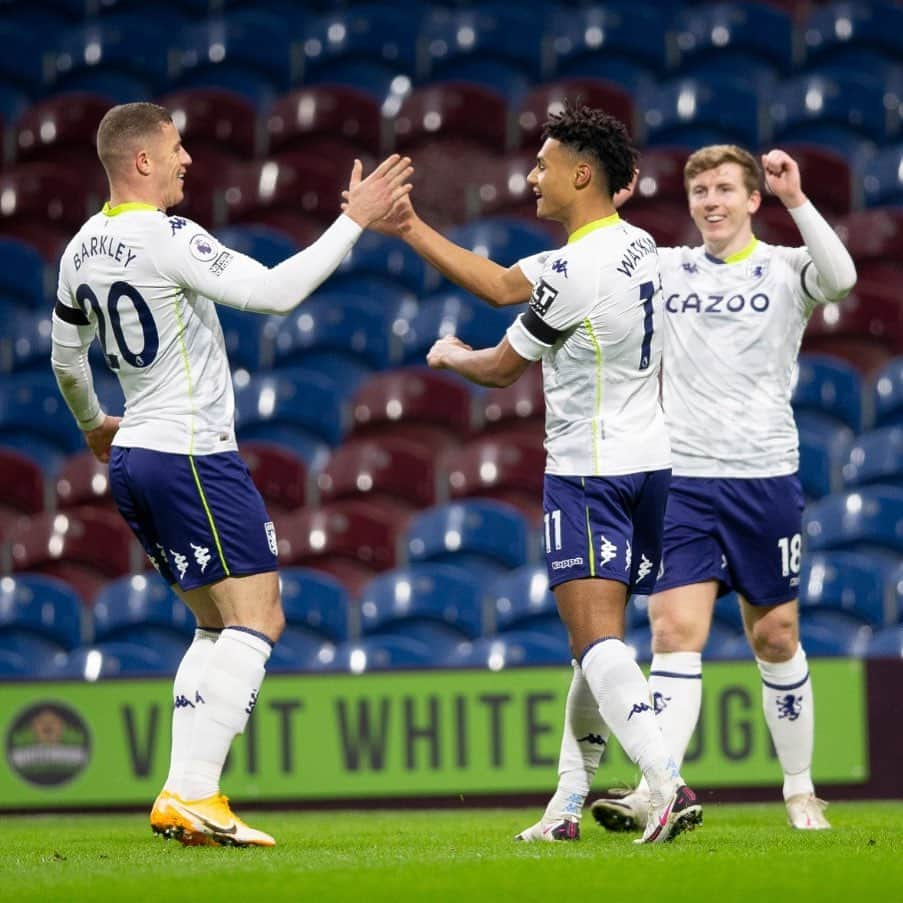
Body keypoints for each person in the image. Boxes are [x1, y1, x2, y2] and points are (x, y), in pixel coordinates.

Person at [51, 102, 412, 847]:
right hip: (190, 455)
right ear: (142, 160)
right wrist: (356, 220)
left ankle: (182, 798)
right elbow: (275, 293)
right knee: (260, 617)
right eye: (177, 149)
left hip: (134, 459)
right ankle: (196, 792)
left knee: (214, 624)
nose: (187, 160)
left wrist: (94, 427)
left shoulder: (80, 248)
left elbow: (64, 359)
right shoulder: (167, 236)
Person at [365, 103, 702, 844]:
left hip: (587, 474)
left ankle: (665, 781)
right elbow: (500, 281)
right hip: (650, 466)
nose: (532, 175)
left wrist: (452, 354)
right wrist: (411, 226)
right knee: (594, 645)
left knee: (597, 642)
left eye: (545, 164)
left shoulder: (573, 273)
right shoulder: (636, 243)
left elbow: (498, 366)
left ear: (582, 174)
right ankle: (564, 806)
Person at [587, 145, 855, 832]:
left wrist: (796, 197)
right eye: (699, 190)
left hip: (763, 478)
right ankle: (661, 786)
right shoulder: (668, 266)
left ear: (750, 199)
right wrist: (605, 211)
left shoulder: (784, 266)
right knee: (673, 630)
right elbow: (601, 264)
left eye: (724, 189)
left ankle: (799, 788)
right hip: (682, 480)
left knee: (774, 635)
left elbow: (842, 276)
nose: (710, 201)